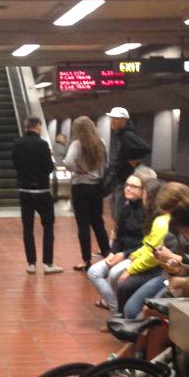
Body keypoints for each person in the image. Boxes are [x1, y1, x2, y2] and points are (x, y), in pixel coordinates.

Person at [112, 181, 189, 321]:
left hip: (175, 278)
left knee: (143, 310)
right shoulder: (162, 220)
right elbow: (148, 246)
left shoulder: (182, 226)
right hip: (169, 274)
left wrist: (131, 269)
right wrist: (169, 262)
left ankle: (133, 328)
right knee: (132, 307)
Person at [11, 116, 62, 275]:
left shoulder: (17, 144)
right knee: (48, 226)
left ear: (26, 127)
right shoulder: (42, 144)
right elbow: (48, 168)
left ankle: (31, 263)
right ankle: (48, 263)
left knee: (28, 228)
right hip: (42, 191)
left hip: (24, 191)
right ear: (38, 127)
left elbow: (15, 165)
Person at [87, 172, 146, 309]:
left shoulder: (146, 213)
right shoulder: (125, 208)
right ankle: (116, 308)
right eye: (127, 185)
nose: (128, 188)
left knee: (114, 274)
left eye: (133, 186)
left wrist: (124, 255)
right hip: (120, 253)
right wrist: (112, 252)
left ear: (143, 191)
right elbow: (118, 235)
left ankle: (117, 310)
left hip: (135, 255)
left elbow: (144, 243)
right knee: (94, 272)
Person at [64, 116, 111, 272]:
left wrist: (79, 170)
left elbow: (68, 162)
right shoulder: (101, 143)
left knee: (83, 224)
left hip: (80, 187)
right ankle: (107, 254)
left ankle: (86, 260)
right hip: (96, 187)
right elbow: (106, 164)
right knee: (98, 222)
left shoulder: (77, 144)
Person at [107, 107, 151, 219]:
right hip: (121, 178)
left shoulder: (127, 135)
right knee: (116, 209)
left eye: (115, 118)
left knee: (119, 212)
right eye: (111, 118)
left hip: (124, 179)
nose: (112, 121)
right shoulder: (122, 135)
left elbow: (146, 148)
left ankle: (121, 228)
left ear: (123, 120)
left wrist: (132, 157)